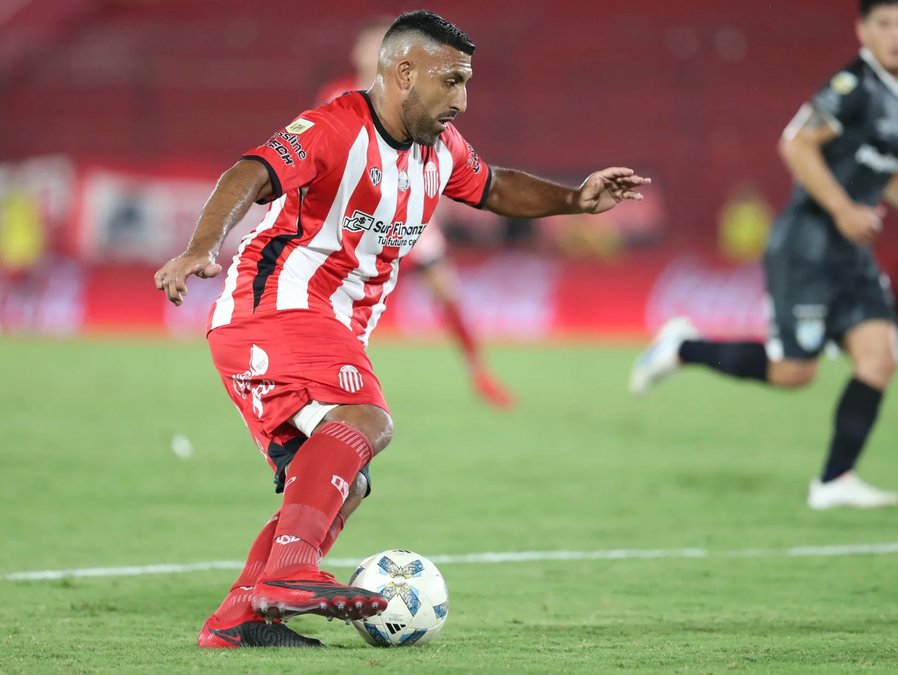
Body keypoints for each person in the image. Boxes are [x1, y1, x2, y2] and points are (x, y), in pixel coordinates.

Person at [154, 10, 650, 648]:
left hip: (318, 326)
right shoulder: (335, 127)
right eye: (452, 82)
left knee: (346, 483)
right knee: (367, 420)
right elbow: (249, 171)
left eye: (467, 83)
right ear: (405, 72)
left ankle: (240, 618)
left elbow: (494, 187)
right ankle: (290, 575)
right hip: (275, 306)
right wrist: (202, 247)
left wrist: (575, 200)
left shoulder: (439, 150)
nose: (463, 100)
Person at [630, 0, 898, 510]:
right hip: (808, 246)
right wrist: (843, 207)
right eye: (882, 23)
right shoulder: (853, 86)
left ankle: (834, 480)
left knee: (880, 356)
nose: (894, 34)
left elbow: (881, 165)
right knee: (794, 372)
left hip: (851, 251)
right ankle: (683, 348)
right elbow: (796, 144)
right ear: (863, 30)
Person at [316, 16, 515, 409]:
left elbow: (434, 154)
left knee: (446, 289)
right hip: (356, 220)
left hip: (407, 213)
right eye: (370, 45)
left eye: (383, 45)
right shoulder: (337, 95)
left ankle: (480, 372)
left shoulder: (414, 98)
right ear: (357, 52)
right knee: (333, 300)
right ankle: (326, 373)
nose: (375, 53)